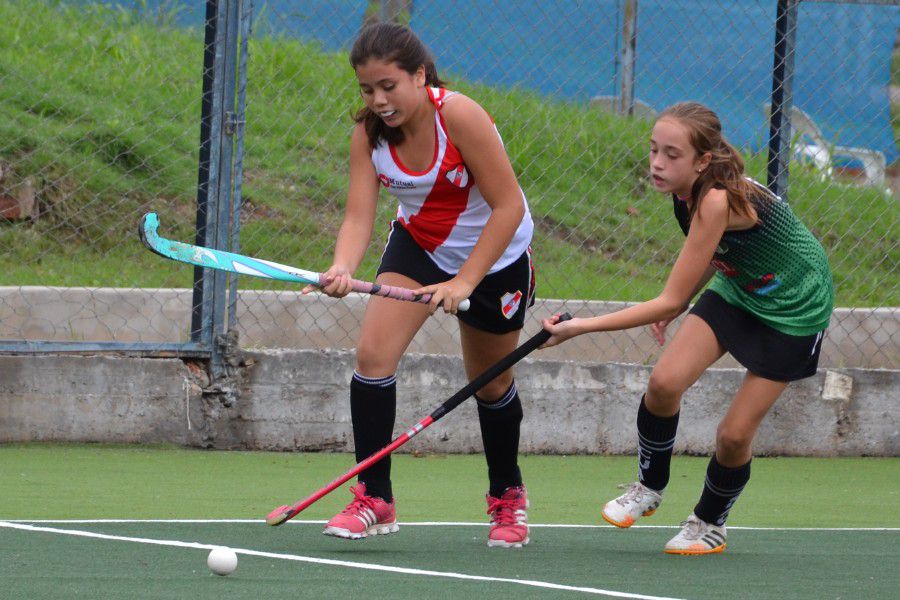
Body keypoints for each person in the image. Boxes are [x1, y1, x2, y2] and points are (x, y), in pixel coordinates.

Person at [541, 102, 834, 555]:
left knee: (734, 435)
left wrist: (580, 327)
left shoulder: (716, 198)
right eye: (654, 150)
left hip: (795, 307)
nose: (658, 163)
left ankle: (709, 522)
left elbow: (672, 296)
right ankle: (650, 488)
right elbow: (711, 255)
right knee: (663, 383)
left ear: (702, 161)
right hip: (740, 286)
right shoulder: (686, 193)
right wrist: (675, 304)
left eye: (672, 155)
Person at [304, 22, 536, 548]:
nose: (380, 100)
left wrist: (466, 281)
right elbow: (359, 216)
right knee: (372, 356)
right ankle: (375, 498)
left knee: (491, 383)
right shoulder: (368, 134)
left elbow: (508, 206)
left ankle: (507, 497)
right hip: (420, 247)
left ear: (419, 75)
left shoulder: (459, 115)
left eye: (389, 86)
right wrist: (342, 267)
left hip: (495, 259)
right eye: (367, 89)